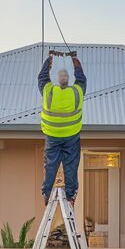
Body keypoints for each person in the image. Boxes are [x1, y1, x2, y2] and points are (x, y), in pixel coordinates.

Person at [37, 50, 86, 205]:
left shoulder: (49, 91)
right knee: (70, 165)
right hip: (71, 135)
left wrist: (49, 61)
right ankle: (71, 195)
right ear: (66, 79)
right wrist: (75, 60)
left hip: (52, 135)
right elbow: (82, 78)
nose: (63, 77)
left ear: (58, 79)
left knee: (51, 165)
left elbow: (42, 77)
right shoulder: (76, 92)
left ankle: (47, 193)